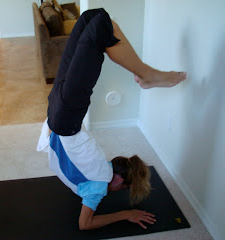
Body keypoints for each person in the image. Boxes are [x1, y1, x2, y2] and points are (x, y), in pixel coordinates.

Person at [37, 8, 186, 230]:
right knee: (91, 18)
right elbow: (85, 223)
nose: (117, 190)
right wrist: (127, 213)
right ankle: (147, 75)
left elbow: (83, 224)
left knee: (101, 24)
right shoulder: (99, 179)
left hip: (63, 116)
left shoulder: (96, 179)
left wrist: (127, 211)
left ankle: (148, 75)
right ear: (117, 180)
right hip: (60, 115)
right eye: (123, 188)